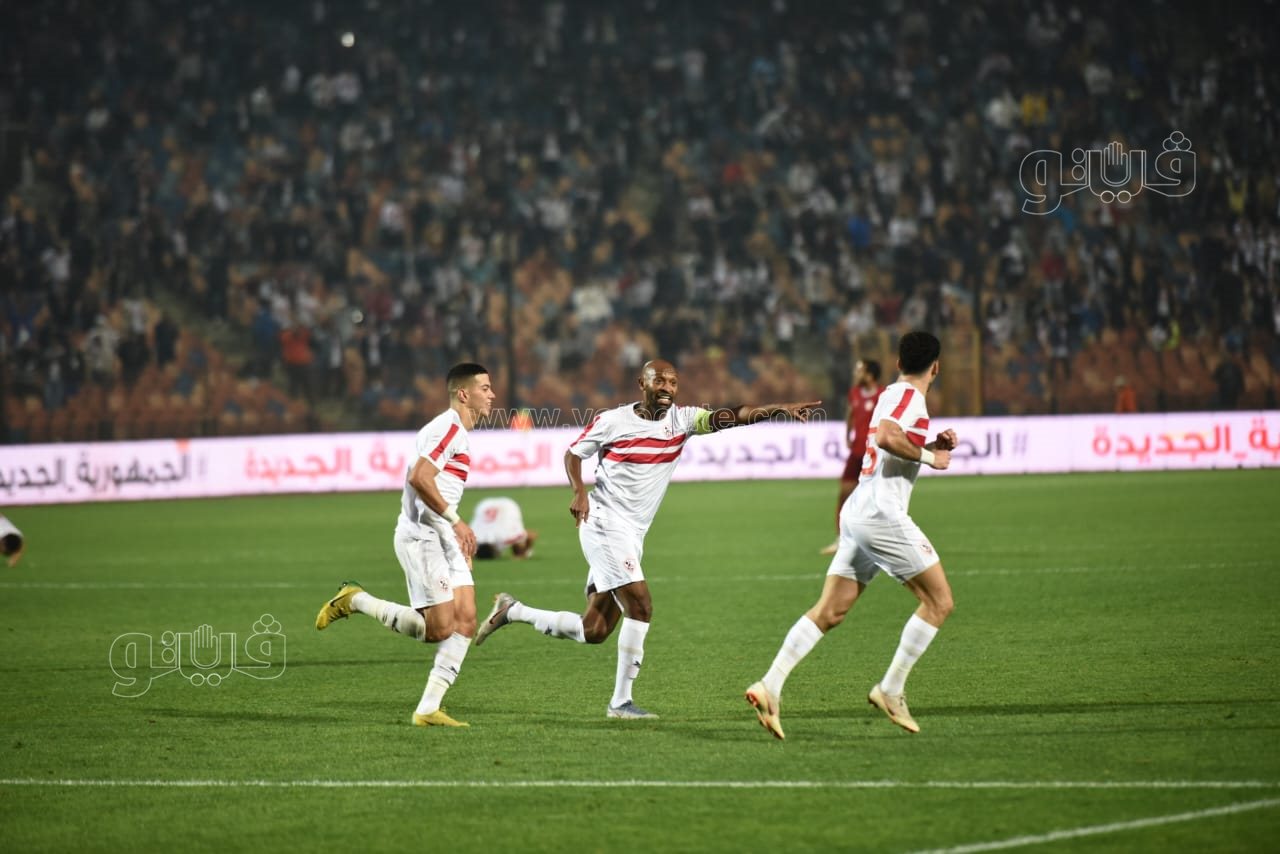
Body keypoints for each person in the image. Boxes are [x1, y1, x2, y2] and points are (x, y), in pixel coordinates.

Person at [474, 359, 819, 719]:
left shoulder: (683, 421)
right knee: (641, 605)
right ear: (643, 384)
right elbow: (573, 453)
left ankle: (513, 611)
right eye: (660, 381)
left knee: (594, 629)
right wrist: (579, 491)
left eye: (673, 382)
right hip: (604, 523)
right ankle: (620, 703)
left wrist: (779, 408)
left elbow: (734, 415)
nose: (667, 387)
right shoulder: (613, 421)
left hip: (633, 534)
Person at [745, 331, 957, 740]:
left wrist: (932, 443)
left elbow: (890, 447)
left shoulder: (892, 395)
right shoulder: (909, 397)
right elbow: (886, 438)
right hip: (881, 515)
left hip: (860, 512)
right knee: (939, 602)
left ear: (898, 363)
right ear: (936, 367)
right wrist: (933, 457)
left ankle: (770, 686)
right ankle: (891, 689)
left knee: (830, 611)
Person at [314, 362, 495, 727]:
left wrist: (455, 532)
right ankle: (355, 600)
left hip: (444, 535)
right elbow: (419, 478)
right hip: (423, 536)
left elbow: (437, 486)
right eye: (485, 388)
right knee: (438, 629)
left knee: (466, 620)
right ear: (464, 394)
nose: (492, 395)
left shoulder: (458, 433)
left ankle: (428, 709)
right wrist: (457, 522)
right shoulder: (448, 427)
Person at [821, 359, 884, 555]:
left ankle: (876, 539)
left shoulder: (883, 395)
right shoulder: (854, 393)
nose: (856, 374)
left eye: (859, 371)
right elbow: (850, 414)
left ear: (870, 375)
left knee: (875, 499)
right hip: (856, 453)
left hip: (874, 454)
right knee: (844, 494)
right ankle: (841, 539)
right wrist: (848, 434)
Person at [471, 496, 538, 559]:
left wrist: (523, 552)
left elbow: (531, 535)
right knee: (517, 543)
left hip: (507, 506)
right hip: (485, 504)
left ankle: (523, 552)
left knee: (518, 549)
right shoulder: (472, 536)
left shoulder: (505, 538)